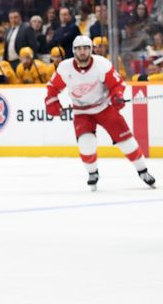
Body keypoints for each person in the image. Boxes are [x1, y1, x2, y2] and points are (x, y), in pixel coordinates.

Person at [45, 36, 156, 191]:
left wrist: (117, 96)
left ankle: (143, 171)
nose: (82, 52)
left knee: (126, 142)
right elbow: (52, 88)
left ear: (90, 49)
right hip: (81, 112)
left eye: (85, 48)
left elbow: (117, 84)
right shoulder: (65, 67)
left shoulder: (101, 64)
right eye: (79, 49)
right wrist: (52, 102)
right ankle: (92, 173)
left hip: (104, 107)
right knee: (86, 144)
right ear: (74, 51)